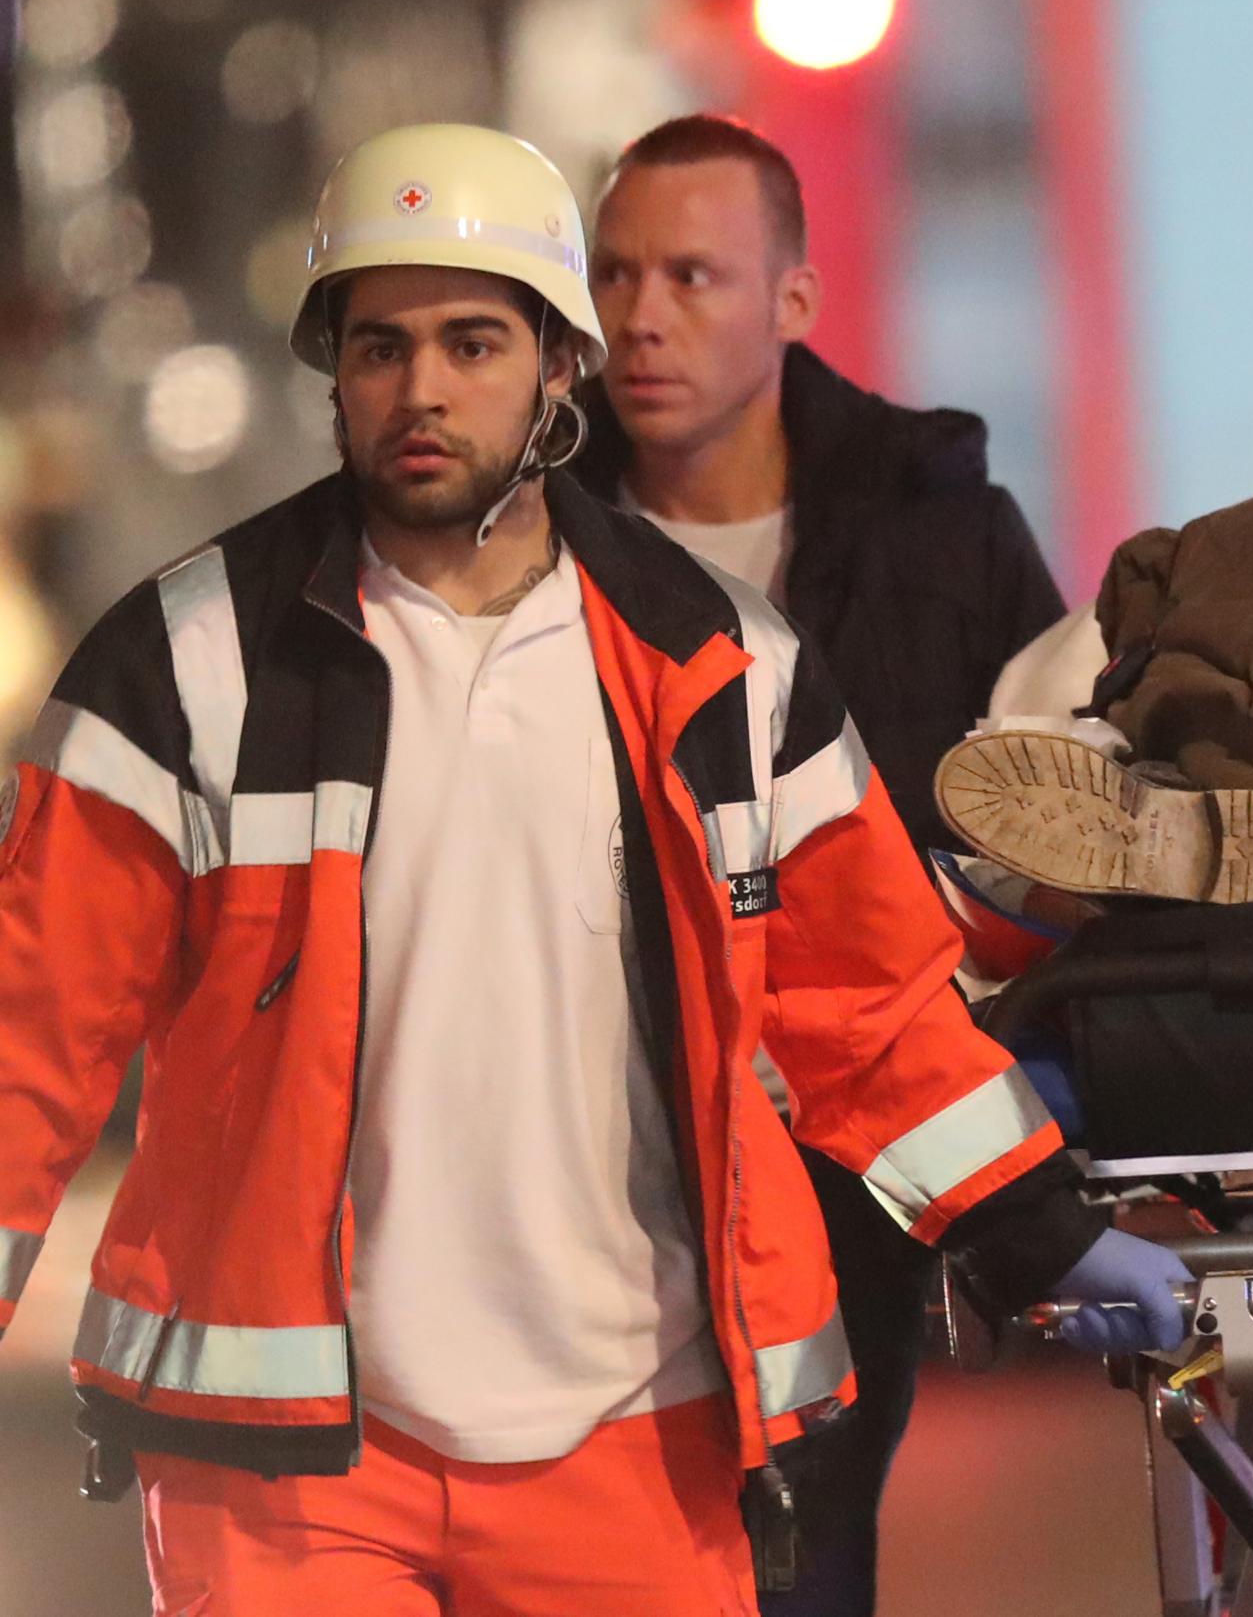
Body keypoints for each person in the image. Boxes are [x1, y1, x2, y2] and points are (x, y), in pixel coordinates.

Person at [0, 123, 1185, 1617]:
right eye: (380, 347)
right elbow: (28, 1035)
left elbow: (866, 1006)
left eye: (473, 342)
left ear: (561, 368)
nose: (421, 389)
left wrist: (1046, 1232)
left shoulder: (722, 666)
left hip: (645, 1435)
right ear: (336, 371)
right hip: (290, 1472)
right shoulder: (182, 663)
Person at [577, 113, 1070, 1617]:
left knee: (803, 1551)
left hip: (847, 1159)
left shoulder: (947, 529)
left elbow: (1055, 804)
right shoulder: (526, 544)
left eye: (693, 275)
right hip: (598, 1148)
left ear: (794, 298)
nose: (640, 316)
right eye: (612, 274)